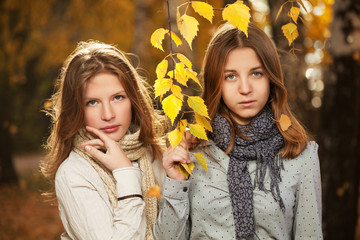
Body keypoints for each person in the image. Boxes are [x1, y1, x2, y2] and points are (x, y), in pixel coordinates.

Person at [153, 23, 323, 239]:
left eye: (256, 74)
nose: (245, 88)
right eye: (231, 76)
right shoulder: (192, 152)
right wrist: (176, 182)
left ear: (271, 78)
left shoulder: (301, 155)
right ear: (217, 82)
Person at [40, 41, 166, 240]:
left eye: (118, 98)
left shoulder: (156, 155)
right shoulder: (74, 173)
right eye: (92, 102)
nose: (108, 115)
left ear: (133, 100)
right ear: (76, 109)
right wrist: (125, 173)